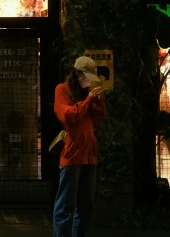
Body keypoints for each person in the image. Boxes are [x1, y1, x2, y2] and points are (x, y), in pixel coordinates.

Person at [53, 56, 106, 237]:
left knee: (86, 205)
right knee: (66, 205)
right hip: (73, 152)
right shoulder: (62, 90)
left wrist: (98, 101)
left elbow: (96, 120)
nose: (90, 81)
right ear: (78, 74)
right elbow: (68, 116)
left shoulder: (86, 94)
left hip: (89, 153)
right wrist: (88, 100)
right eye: (88, 77)